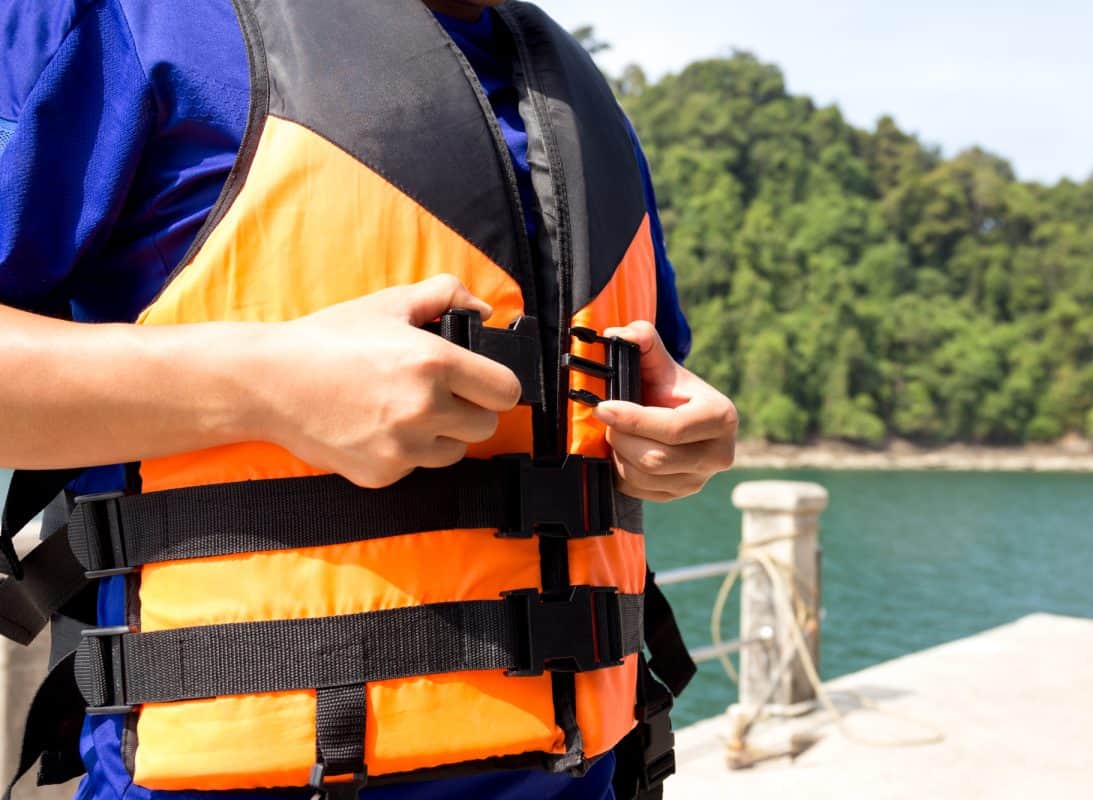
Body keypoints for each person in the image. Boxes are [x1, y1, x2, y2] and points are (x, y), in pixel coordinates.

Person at [0, 1, 738, 799]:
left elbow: (629, 389)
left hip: (598, 774)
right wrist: (267, 382)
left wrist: (672, 439)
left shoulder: (580, 100)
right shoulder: (127, 19)